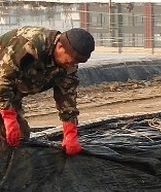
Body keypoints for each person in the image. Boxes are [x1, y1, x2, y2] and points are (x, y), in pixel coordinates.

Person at [0, 26, 95, 154]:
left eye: (75, 63)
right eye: (70, 61)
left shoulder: (68, 65)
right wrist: (8, 117)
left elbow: (67, 95)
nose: (71, 65)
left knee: (20, 138)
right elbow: (3, 79)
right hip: (2, 83)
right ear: (60, 47)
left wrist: (70, 133)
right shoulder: (29, 46)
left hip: (12, 92)